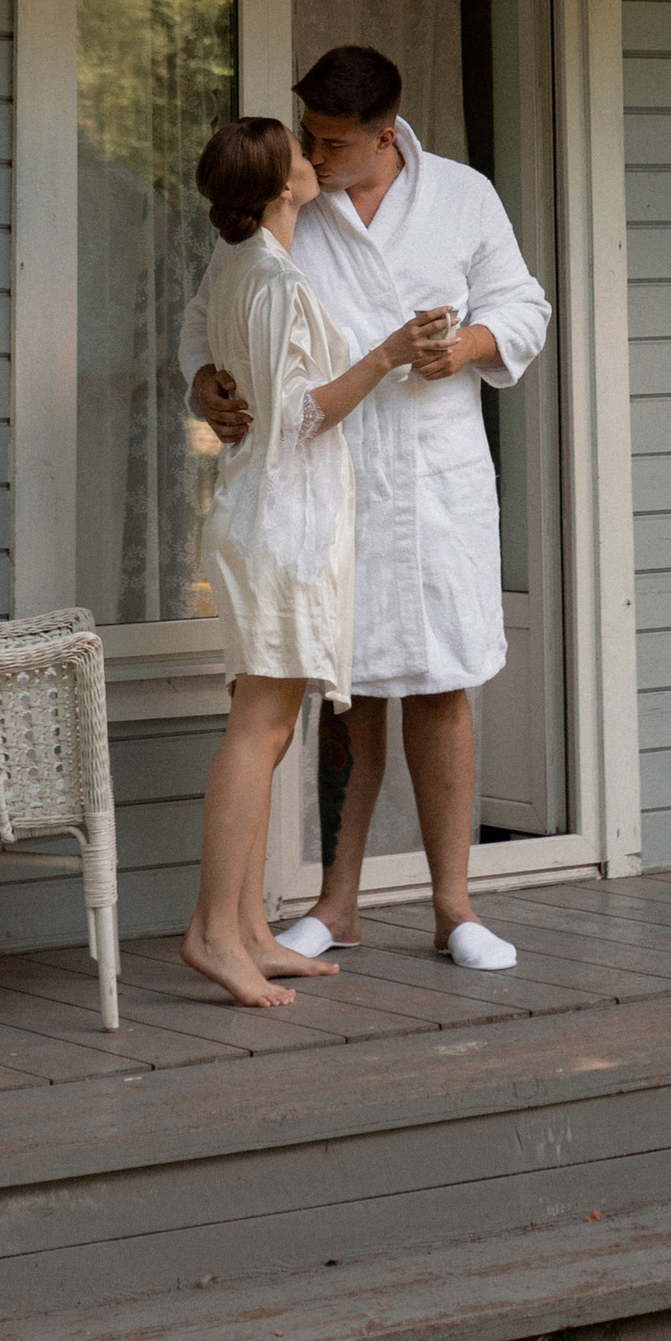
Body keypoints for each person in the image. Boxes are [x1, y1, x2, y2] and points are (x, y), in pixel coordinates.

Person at [184, 41, 551, 973]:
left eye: (334, 140)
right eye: (308, 132)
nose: (315, 150)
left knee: (438, 681)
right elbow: (209, 312)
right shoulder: (291, 206)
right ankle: (334, 903)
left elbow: (524, 305)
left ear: (387, 135)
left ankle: (454, 905)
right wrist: (206, 384)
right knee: (342, 696)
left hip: (431, 478)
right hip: (323, 483)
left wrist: (465, 345)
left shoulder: (464, 195)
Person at [178, 113, 439, 1013]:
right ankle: (216, 932)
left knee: (272, 728)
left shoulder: (243, 266)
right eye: (299, 151)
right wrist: (390, 353)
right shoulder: (276, 280)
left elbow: (237, 382)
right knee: (258, 728)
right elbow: (297, 417)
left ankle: (251, 928)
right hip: (283, 522)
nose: (311, 156)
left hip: (266, 515)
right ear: (283, 185)